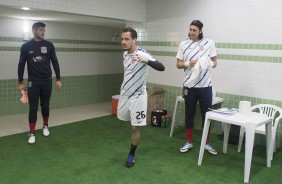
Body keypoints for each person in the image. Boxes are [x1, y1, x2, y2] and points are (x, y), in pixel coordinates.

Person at [118, 27, 165, 168]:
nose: (123, 42)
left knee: (135, 128)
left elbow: (161, 67)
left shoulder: (142, 54)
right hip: (125, 95)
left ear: (134, 40)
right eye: (122, 39)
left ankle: (131, 155)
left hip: (138, 97)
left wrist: (147, 61)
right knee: (122, 120)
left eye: (126, 39)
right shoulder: (125, 54)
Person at [176, 20, 218, 155]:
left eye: (194, 30)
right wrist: (189, 63)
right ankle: (188, 141)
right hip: (189, 85)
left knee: (207, 115)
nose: (191, 33)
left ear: (200, 31)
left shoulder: (209, 43)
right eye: (190, 30)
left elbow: (215, 62)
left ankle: (206, 143)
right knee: (189, 113)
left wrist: (205, 63)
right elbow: (178, 64)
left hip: (206, 86)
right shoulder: (183, 44)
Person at [18, 22, 62, 144]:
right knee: (33, 108)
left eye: (44, 30)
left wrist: (58, 79)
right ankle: (32, 133)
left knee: (45, 105)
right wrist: (20, 82)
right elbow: (21, 65)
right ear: (34, 31)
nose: (43, 32)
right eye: (41, 30)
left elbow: (55, 62)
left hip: (47, 81)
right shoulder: (26, 47)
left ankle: (45, 126)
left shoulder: (49, 45)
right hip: (33, 82)